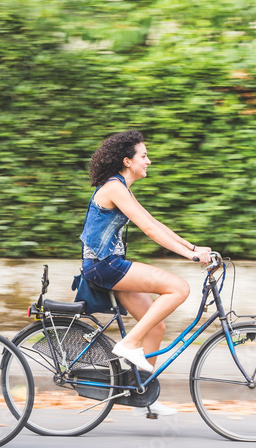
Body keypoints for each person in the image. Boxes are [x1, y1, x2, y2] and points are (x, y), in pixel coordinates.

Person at [79, 130, 212, 416]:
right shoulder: (113, 187)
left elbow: (154, 222)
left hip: (108, 265)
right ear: (127, 161)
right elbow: (149, 230)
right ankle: (128, 343)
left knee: (156, 326)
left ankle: (143, 397)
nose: (148, 161)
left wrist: (193, 247)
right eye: (144, 156)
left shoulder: (121, 188)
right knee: (179, 288)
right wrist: (190, 256)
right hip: (104, 265)